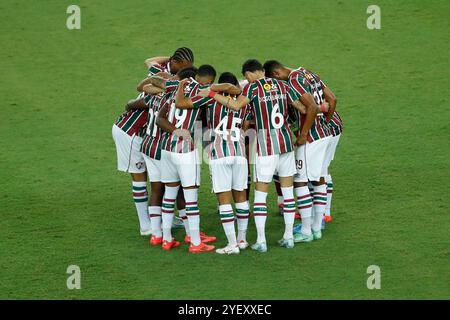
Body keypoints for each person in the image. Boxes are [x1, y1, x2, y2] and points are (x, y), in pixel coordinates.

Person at [198, 59, 317, 252]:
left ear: (250, 74)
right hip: (286, 142)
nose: (247, 79)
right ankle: (288, 237)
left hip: (266, 145)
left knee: (261, 195)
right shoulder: (283, 85)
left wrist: (211, 93)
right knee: (288, 194)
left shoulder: (252, 89)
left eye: (246, 76)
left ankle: (261, 241)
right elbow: (303, 109)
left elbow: (235, 106)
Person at [175, 71, 250, 255]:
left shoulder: (210, 98)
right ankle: (242, 239)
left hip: (219, 154)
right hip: (240, 153)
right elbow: (247, 125)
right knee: (241, 197)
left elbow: (181, 104)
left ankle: (231, 245)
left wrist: (181, 87)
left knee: (224, 200)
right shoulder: (244, 102)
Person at [263, 60, 337, 242]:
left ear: (277, 74)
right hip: (325, 134)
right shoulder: (306, 72)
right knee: (319, 178)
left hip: (311, 138)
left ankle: (305, 230)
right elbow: (332, 99)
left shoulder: (294, 80)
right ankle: (317, 226)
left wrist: (304, 134)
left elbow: (311, 107)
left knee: (300, 182)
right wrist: (325, 122)